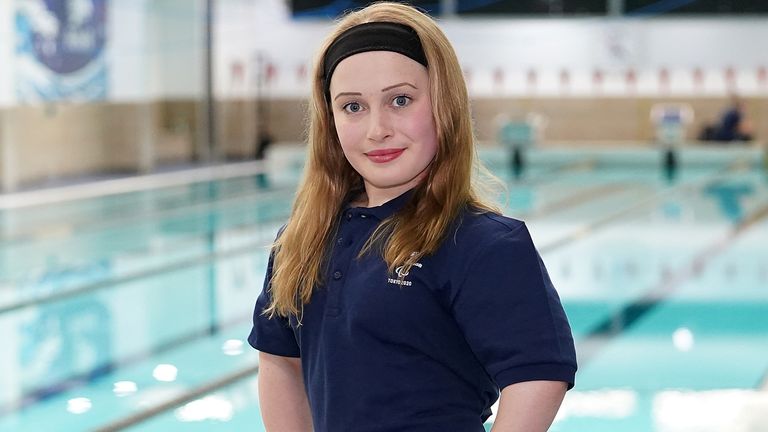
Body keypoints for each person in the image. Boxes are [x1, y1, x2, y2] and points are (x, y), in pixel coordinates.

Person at [248, 3, 577, 431]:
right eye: (353, 107)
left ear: (444, 105)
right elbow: (279, 361)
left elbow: (537, 374)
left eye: (400, 100)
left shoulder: (483, 243)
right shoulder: (301, 239)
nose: (377, 129)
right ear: (329, 120)